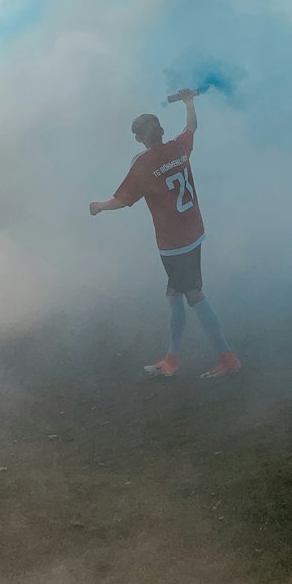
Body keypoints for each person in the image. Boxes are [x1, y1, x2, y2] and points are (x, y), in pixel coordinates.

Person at [89, 89, 241, 379]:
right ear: (160, 130)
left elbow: (122, 200)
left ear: (139, 138)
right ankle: (172, 359)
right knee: (174, 294)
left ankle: (228, 357)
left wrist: (99, 206)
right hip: (193, 232)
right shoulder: (178, 147)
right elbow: (191, 127)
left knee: (193, 295)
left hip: (174, 243)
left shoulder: (143, 164)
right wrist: (188, 101)